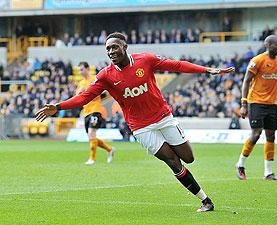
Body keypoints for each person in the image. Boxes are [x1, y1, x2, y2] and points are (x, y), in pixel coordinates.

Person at [35, 32, 235, 212]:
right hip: (141, 127)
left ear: (125, 46)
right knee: (173, 162)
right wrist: (58, 106)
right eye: (108, 49)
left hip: (164, 117)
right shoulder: (105, 75)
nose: (111, 51)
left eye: (114, 47)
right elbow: (85, 97)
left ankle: (197, 188)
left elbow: (176, 65)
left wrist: (207, 70)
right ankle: (205, 200)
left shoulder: (145, 60)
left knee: (188, 158)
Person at [236, 35, 277, 181]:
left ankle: (268, 172)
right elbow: (246, 81)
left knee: (271, 136)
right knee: (256, 134)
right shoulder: (257, 61)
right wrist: (244, 103)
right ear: (268, 45)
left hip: (272, 103)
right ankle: (240, 164)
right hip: (256, 102)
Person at [77, 62, 115, 165]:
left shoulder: (95, 79)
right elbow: (77, 97)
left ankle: (92, 159)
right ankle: (110, 149)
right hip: (86, 112)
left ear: (87, 68)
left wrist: (95, 92)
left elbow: (105, 92)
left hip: (96, 110)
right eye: (79, 70)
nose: (80, 72)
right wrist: (80, 92)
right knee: (91, 137)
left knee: (91, 133)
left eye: (82, 69)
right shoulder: (81, 83)